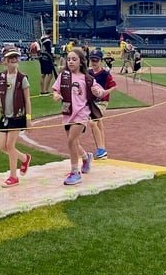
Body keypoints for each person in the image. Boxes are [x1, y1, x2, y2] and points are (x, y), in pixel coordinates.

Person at [52, 47, 106, 186]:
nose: (70, 62)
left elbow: (100, 91)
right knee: (74, 142)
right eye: (69, 59)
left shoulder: (87, 78)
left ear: (81, 62)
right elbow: (55, 89)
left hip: (81, 114)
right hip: (67, 112)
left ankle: (75, 172)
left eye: (74, 59)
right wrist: (56, 95)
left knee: (70, 141)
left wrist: (97, 92)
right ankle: (85, 157)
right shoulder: (63, 75)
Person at [0, 46, 33, 188]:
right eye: (10, 57)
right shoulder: (1, 76)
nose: (13, 59)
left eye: (15, 57)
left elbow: (27, 100)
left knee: (10, 146)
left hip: (17, 116)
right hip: (5, 116)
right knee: (2, 146)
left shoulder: (22, 78)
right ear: (4, 61)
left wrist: (29, 118)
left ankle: (13, 177)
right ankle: (25, 158)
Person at [87, 49, 116, 160]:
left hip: (102, 102)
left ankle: (101, 150)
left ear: (101, 61)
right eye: (92, 60)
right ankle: (103, 148)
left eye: (96, 60)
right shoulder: (88, 73)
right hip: (92, 102)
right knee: (98, 124)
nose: (94, 62)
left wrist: (105, 92)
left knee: (93, 122)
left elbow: (113, 86)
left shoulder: (105, 74)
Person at [38, 29, 56, 95]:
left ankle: (42, 90)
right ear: (51, 33)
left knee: (43, 74)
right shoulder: (47, 41)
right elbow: (49, 51)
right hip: (46, 58)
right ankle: (45, 90)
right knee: (50, 74)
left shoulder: (42, 38)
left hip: (41, 57)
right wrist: (53, 60)